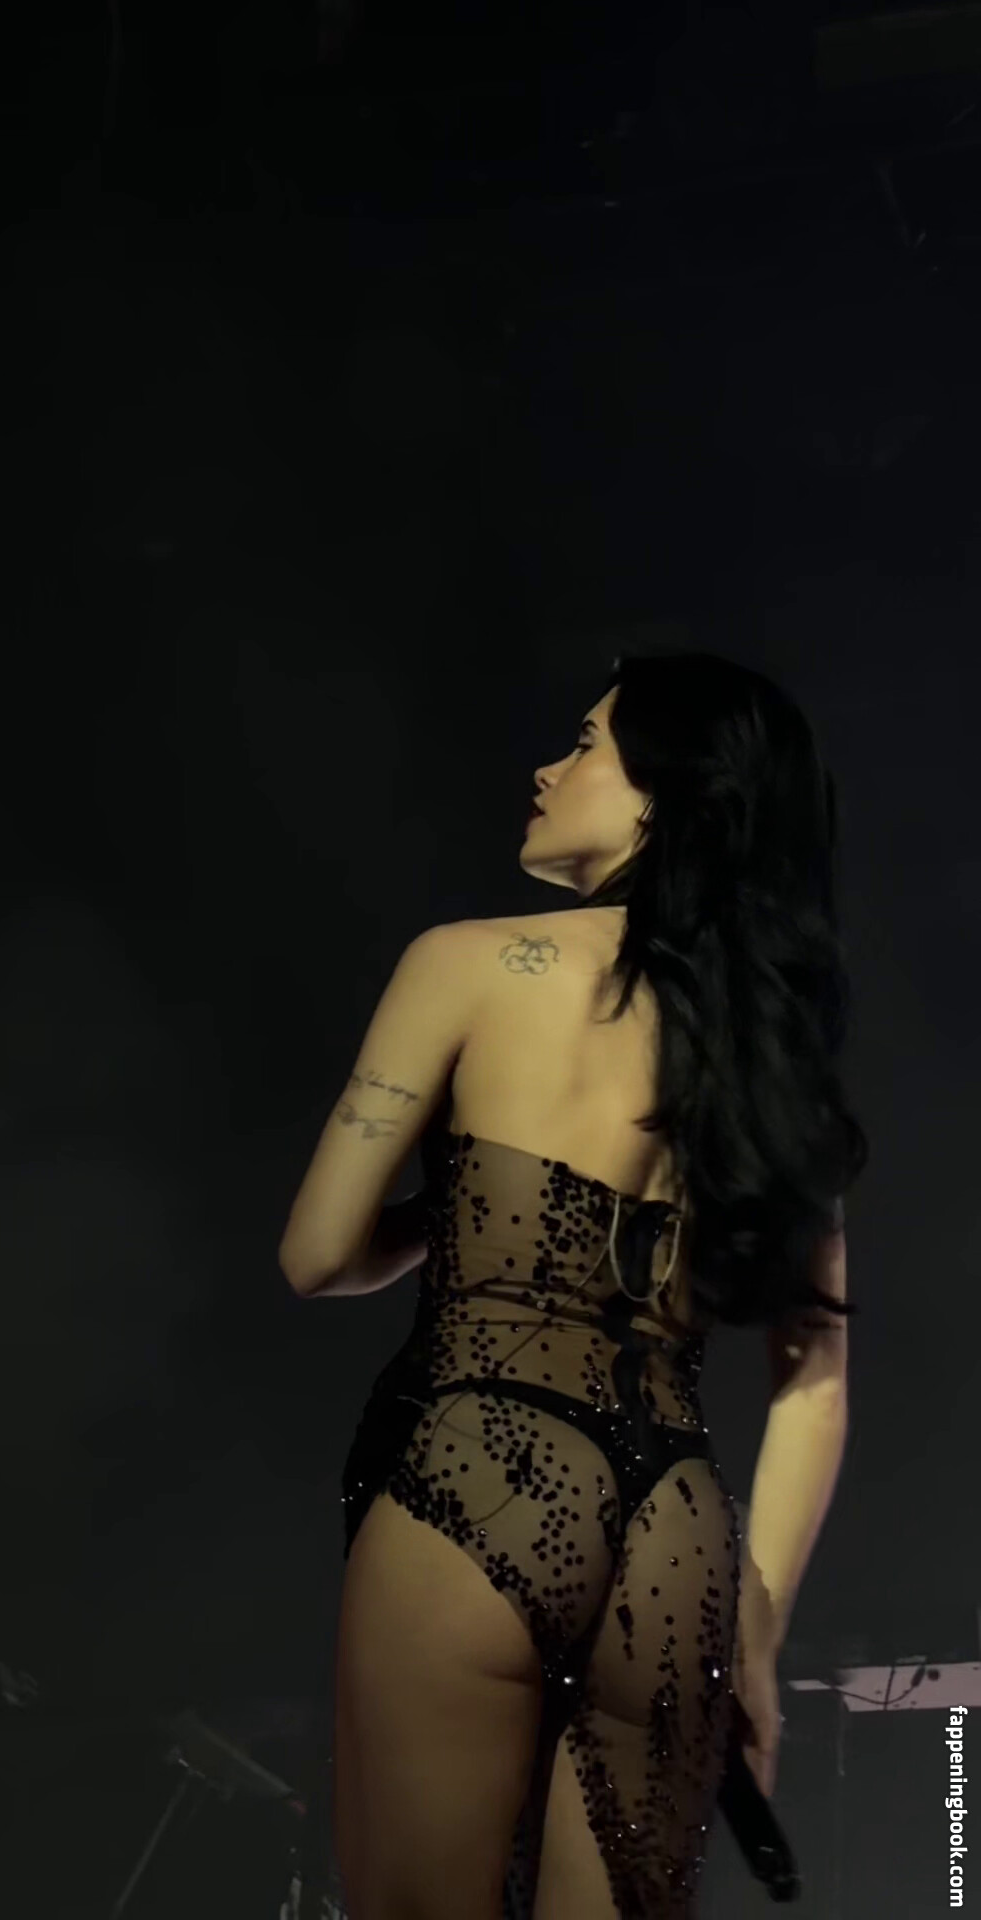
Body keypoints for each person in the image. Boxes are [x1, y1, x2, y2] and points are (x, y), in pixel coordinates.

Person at [278, 649, 866, 1918]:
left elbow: (317, 1256)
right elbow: (815, 1389)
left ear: (665, 790)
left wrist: (466, 1214)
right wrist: (758, 1631)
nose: (548, 769)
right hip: (679, 1539)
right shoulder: (777, 1054)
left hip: (482, 1464)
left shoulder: (468, 962)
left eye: (588, 742)